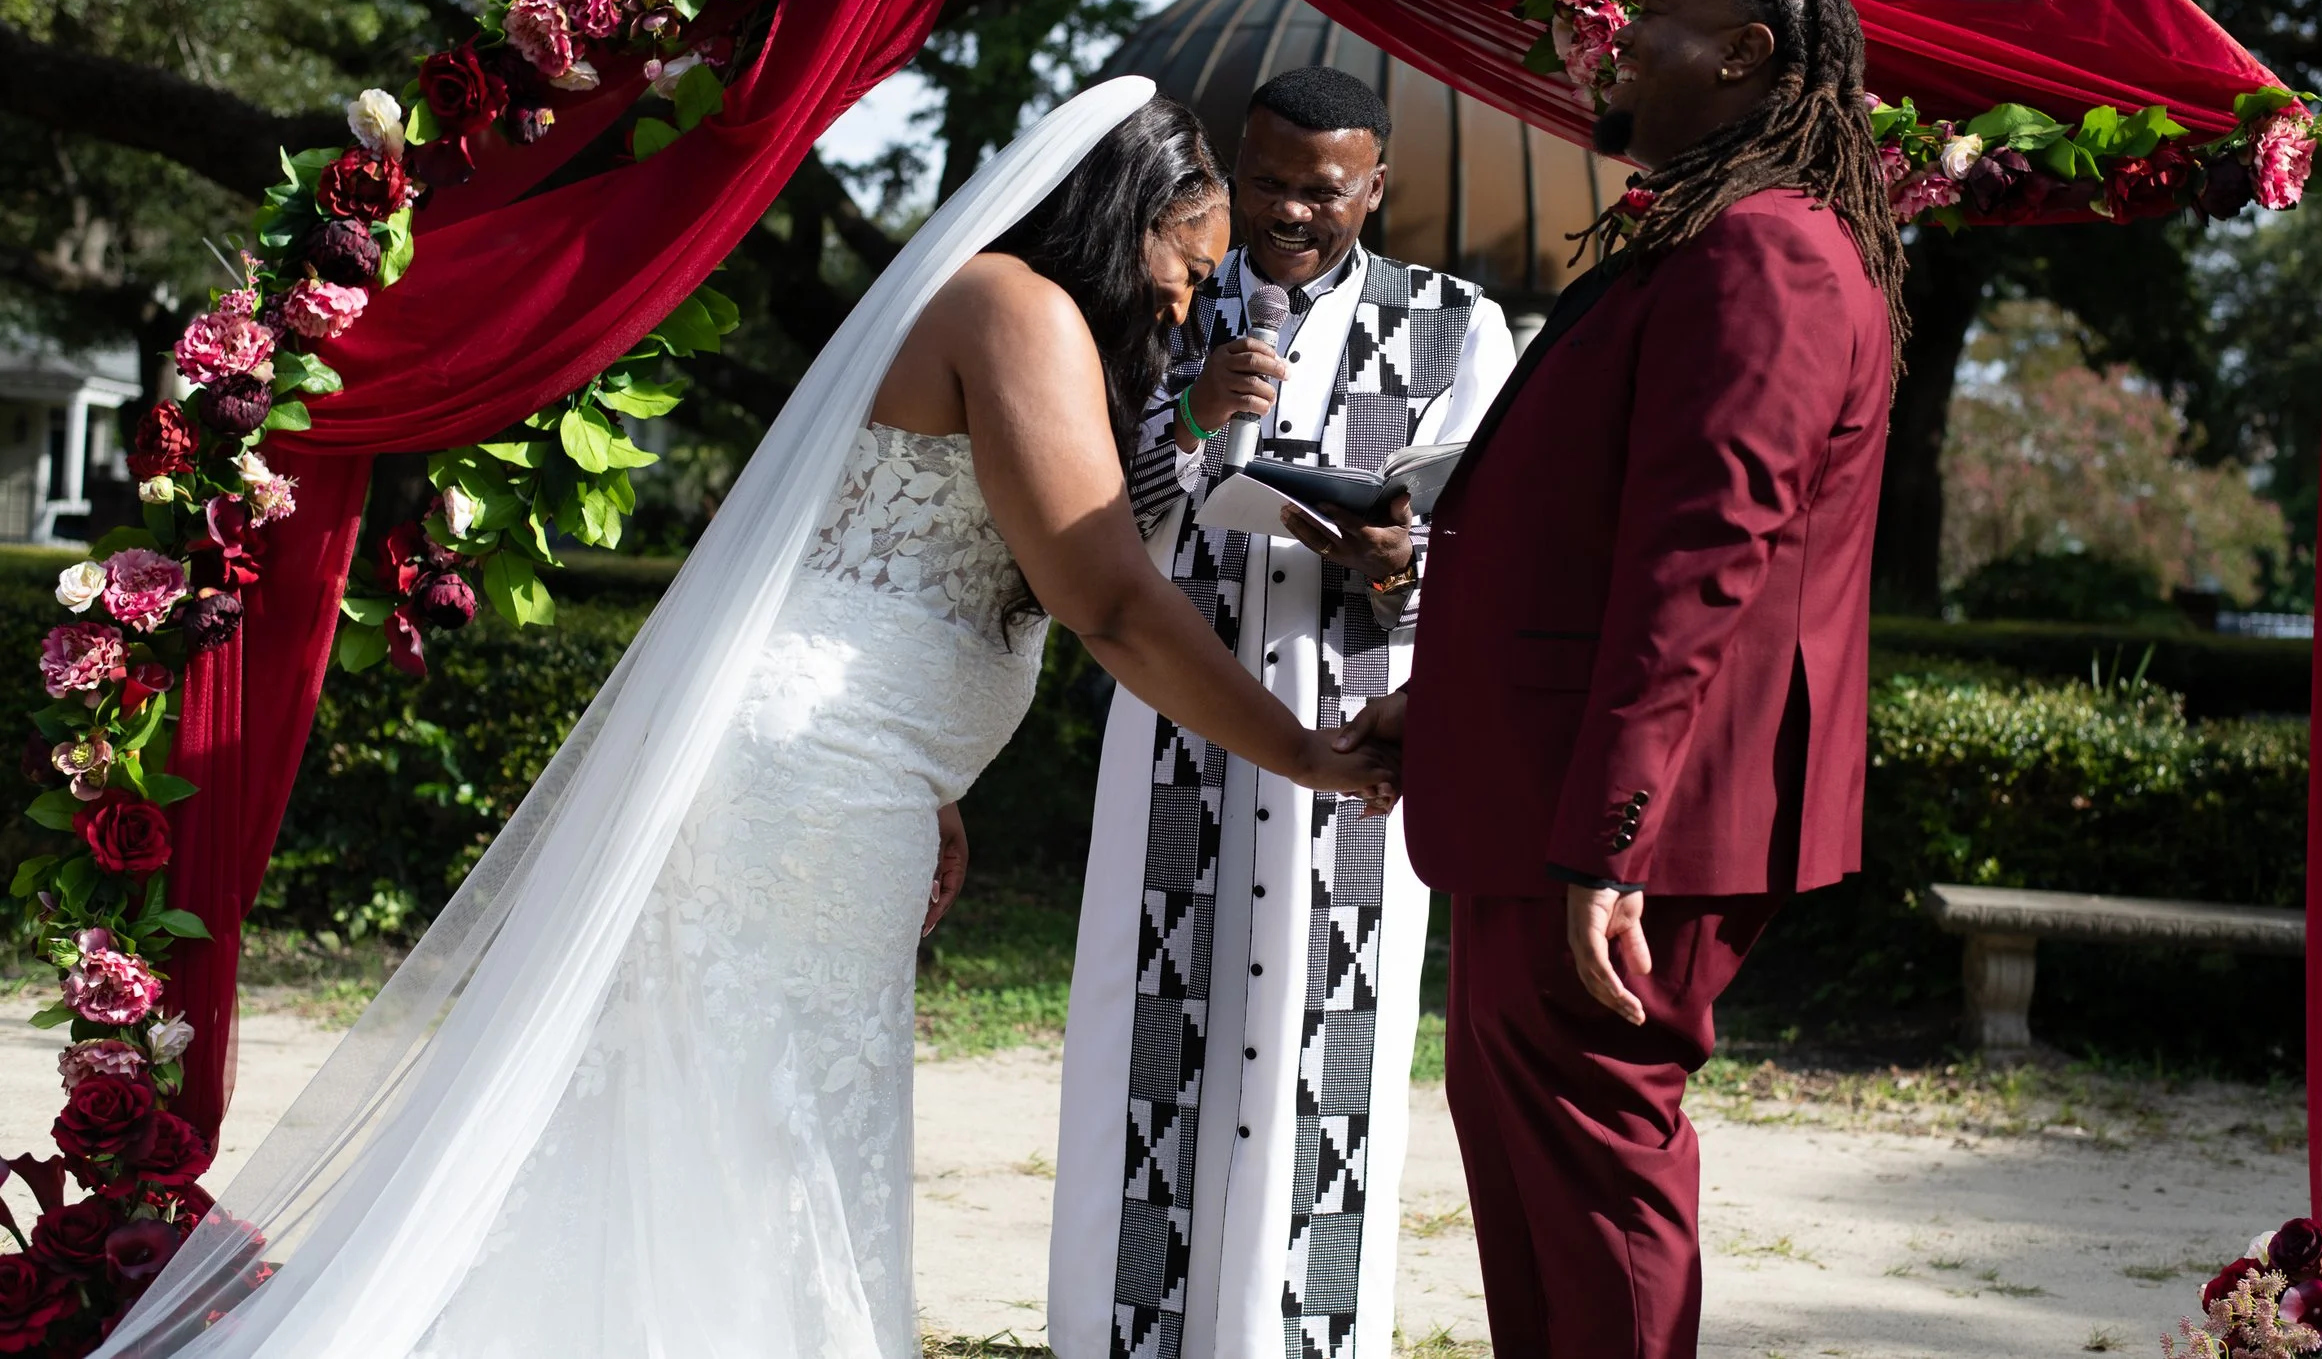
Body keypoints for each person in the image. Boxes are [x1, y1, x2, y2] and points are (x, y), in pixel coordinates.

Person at [98, 80, 1395, 1359]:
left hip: (848, 776)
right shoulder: (1019, 307)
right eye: (1186, 257)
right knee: (765, 1127)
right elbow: (1108, 599)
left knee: (724, 1116)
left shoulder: (1002, 313)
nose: (1189, 295)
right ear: (1123, 212)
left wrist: (936, 775)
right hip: (807, 788)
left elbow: (881, 567)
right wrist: (1310, 752)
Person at [1336, 0, 1909, 1359]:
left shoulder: (1769, 250)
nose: (1620, 38)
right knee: (1527, 1168)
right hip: (1547, 786)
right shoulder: (1702, 234)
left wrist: (1611, 837)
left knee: (1595, 1171)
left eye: (1659, 18)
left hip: (1618, 825)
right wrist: (1454, 696)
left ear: (1746, 60)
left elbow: (1703, 561)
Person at [1049, 67, 1513, 1359]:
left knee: (1329, 1035)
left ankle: (1296, 1336)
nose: (1294, 213)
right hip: (1178, 722)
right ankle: (1128, 1331)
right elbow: (1082, 523)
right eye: (1268, 183)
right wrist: (1193, 416)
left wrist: (1407, 569)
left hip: (1361, 715)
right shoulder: (1157, 301)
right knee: (1157, 1028)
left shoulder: (1456, 325)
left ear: (1377, 185)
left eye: (1327, 190)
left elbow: (1495, 546)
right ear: (1234, 168)